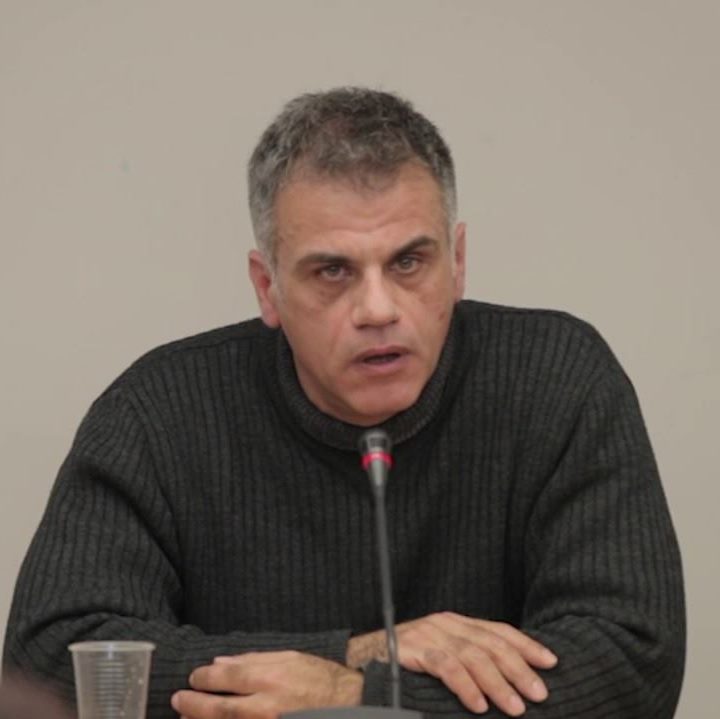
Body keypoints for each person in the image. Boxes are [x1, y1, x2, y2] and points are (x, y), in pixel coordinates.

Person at [3, 87, 685, 719]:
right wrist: (354, 653)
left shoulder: (558, 379)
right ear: (267, 287)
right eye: (333, 271)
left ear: (458, 262)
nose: (378, 309)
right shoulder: (159, 410)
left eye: (409, 262)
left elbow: (630, 663)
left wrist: (356, 694)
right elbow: (52, 660)